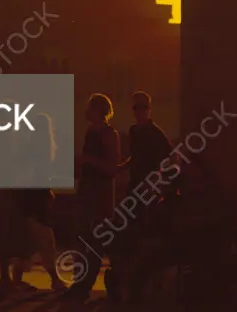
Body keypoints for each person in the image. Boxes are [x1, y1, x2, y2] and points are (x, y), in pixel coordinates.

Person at [62, 93, 121, 302]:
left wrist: (88, 160)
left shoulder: (109, 134)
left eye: (90, 107)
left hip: (101, 192)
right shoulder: (90, 132)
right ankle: (80, 282)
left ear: (99, 110)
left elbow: (111, 168)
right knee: (81, 237)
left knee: (97, 240)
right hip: (87, 189)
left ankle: (85, 286)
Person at [123, 91, 172, 193]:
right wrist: (121, 167)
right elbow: (135, 156)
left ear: (149, 109)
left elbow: (170, 159)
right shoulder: (133, 131)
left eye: (143, 107)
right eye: (136, 107)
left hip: (150, 188)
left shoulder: (156, 133)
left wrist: (156, 181)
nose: (139, 111)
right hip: (135, 184)